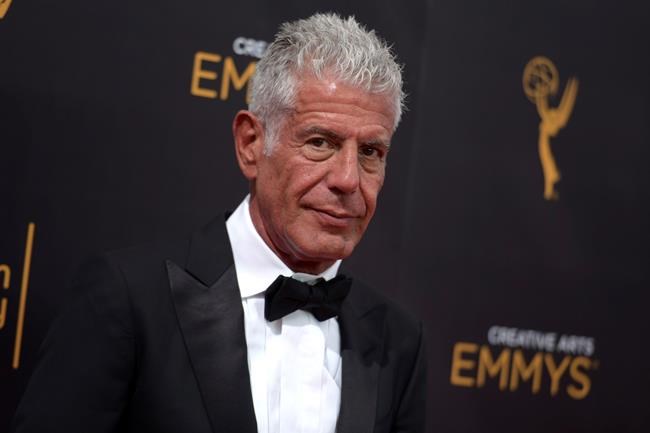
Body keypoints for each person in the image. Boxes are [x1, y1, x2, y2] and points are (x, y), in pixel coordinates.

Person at [12, 13, 426, 433]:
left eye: (371, 152)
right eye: (320, 142)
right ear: (250, 144)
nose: (348, 179)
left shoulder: (398, 341)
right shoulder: (128, 300)